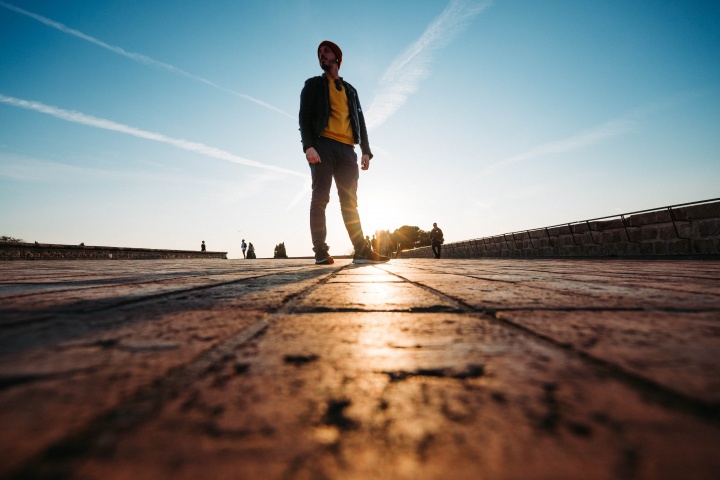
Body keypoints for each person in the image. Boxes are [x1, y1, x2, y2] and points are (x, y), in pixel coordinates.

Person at [299, 40, 389, 265]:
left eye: (326, 51)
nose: (321, 55)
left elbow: (360, 121)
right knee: (320, 198)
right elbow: (304, 117)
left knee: (350, 202)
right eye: (319, 52)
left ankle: (360, 250)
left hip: (348, 152)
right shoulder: (312, 85)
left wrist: (366, 151)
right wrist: (308, 146)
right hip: (322, 147)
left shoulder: (351, 90)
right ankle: (320, 250)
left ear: (337, 58)